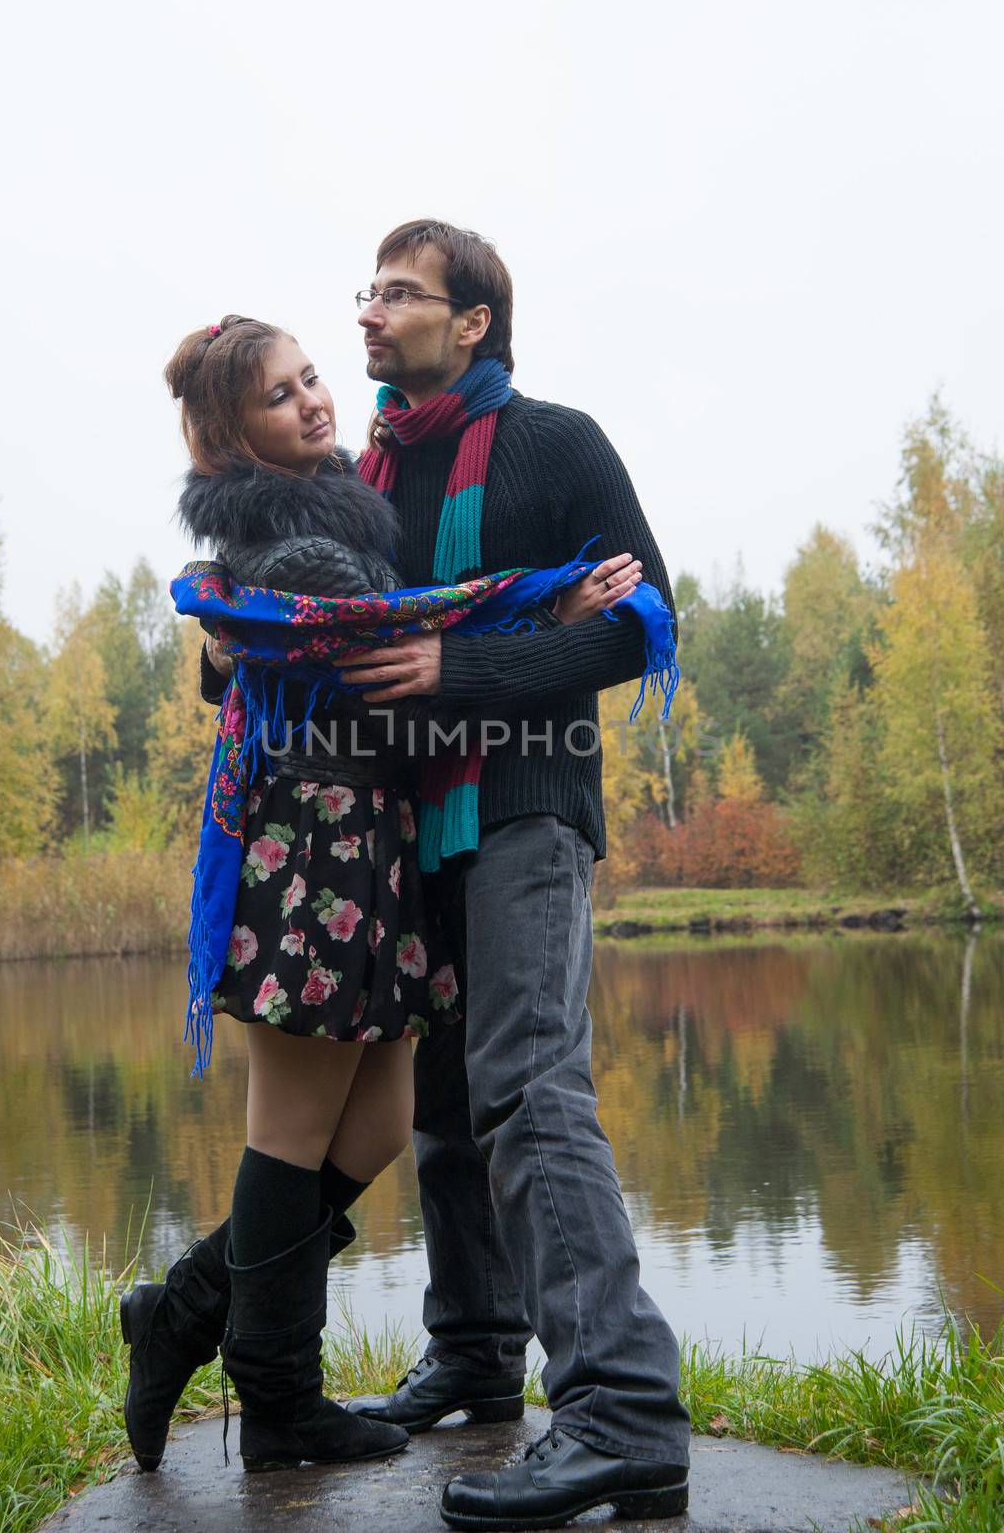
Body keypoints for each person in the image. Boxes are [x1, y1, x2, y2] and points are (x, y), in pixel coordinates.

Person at [121, 314, 641, 1479]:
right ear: (228, 436)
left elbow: (409, 627)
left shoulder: (339, 501)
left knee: (371, 1124)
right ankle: (279, 1403)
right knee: (295, 1132)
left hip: (373, 842)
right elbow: (384, 667)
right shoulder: (292, 542)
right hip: (316, 841)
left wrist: (501, 625)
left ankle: (189, 1306)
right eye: (277, 395)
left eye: (310, 378)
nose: (311, 400)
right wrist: (539, 619)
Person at [341, 221, 693, 1530]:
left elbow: (642, 617)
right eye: (365, 290)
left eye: (398, 293)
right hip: (404, 817)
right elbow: (338, 628)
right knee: (442, 1099)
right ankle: (476, 1351)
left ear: (470, 320)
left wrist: (464, 667)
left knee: (526, 1082)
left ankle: (618, 1412)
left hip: (526, 802)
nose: (368, 313)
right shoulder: (361, 475)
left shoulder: (556, 443)